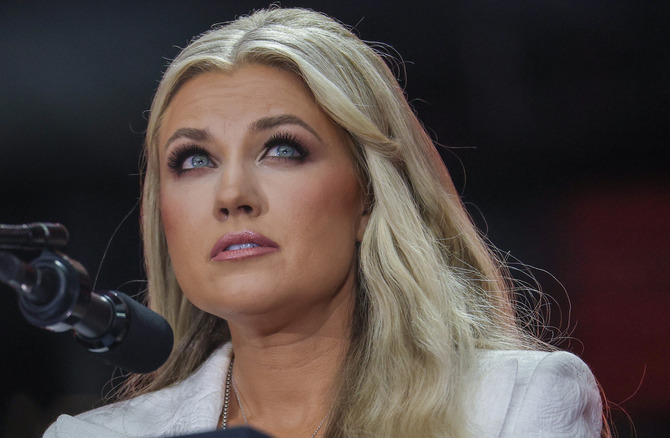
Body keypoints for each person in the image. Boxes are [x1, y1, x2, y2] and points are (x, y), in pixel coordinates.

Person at [44, 6, 607, 438]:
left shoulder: (511, 402)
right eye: (194, 160)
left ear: (367, 197)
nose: (232, 194)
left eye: (282, 150)